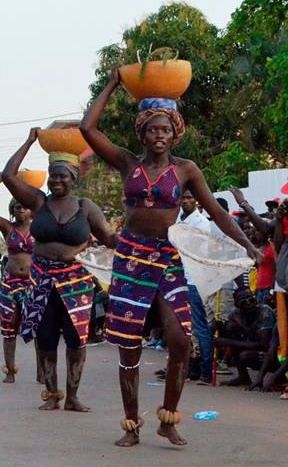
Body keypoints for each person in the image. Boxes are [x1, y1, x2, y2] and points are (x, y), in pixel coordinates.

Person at [81, 70, 261, 447]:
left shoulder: (186, 170)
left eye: (166, 129)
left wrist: (248, 245)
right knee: (129, 343)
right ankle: (131, 424)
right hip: (130, 257)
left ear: (175, 131)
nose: (159, 135)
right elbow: (88, 128)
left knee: (180, 340)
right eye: (152, 129)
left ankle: (168, 419)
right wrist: (114, 83)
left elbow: (217, 212)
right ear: (142, 133)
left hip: (167, 257)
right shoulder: (129, 164)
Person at [2, 127, 116, 415]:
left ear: (74, 177)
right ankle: (52, 394)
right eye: (53, 175)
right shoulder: (38, 203)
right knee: (46, 337)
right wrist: (29, 141)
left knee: (77, 339)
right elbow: (8, 176)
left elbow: (109, 237)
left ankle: (73, 396)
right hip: (41, 281)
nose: (57, 180)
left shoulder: (85, 207)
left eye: (63, 175)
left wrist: (140, 238)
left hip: (76, 282)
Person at [0, 176, 35, 383]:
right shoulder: (8, 229)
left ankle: (41, 370)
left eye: (25, 207)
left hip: (32, 283)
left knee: (37, 326)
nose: (21, 210)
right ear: (12, 210)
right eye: (17, 207)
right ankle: (10, 370)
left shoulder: (39, 229)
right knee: (9, 329)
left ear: (32, 210)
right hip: (11, 283)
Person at [174, 191, 215, 384]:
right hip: (180, 278)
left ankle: (206, 371)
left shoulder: (202, 223)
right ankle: (194, 369)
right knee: (186, 328)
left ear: (196, 200)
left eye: (190, 197)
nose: (186, 201)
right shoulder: (179, 219)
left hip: (195, 279)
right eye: (183, 198)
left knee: (200, 327)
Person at [215, 289, 276, 388]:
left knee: (245, 355)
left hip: (272, 353)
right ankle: (243, 376)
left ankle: (276, 375)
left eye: (251, 300)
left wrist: (230, 342)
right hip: (252, 347)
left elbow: (264, 344)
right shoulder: (235, 315)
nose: (249, 304)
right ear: (237, 305)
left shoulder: (264, 312)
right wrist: (219, 328)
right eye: (244, 302)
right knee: (229, 327)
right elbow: (226, 335)